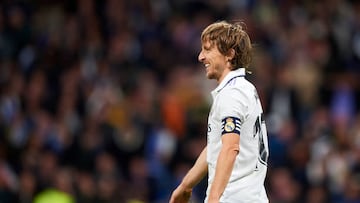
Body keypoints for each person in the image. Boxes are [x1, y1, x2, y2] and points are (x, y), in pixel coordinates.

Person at [169, 20, 269, 203]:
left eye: (207, 49)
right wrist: (186, 185)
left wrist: (214, 198)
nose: (201, 57)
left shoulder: (232, 94)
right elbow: (218, 146)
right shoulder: (244, 89)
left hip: (233, 197)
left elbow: (230, 148)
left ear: (229, 54)